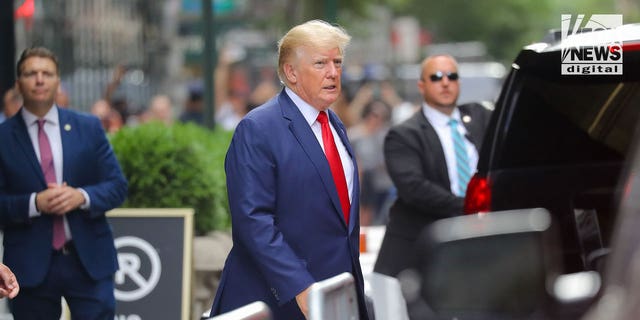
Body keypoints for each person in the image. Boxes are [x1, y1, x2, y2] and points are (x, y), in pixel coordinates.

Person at [209, 20, 370, 320]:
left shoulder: (334, 125)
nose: (334, 73)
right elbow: (253, 221)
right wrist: (300, 288)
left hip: (334, 298)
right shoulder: (258, 129)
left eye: (337, 62)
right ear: (291, 72)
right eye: (321, 63)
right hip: (278, 302)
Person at [0, 47, 128, 319]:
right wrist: (34, 203)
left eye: (47, 73)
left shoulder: (88, 127)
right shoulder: (3, 138)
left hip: (89, 260)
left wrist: (81, 196)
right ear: (18, 83)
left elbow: (117, 186)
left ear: (58, 81)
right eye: (30, 73)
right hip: (29, 266)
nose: (39, 79)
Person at [374, 54, 492, 278]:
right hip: (425, 251)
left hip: (481, 242)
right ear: (422, 85)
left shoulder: (480, 116)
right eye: (436, 77)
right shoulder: (404, 135)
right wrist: (471, 208)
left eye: (452, 76)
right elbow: (414, 189)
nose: (445, 82)